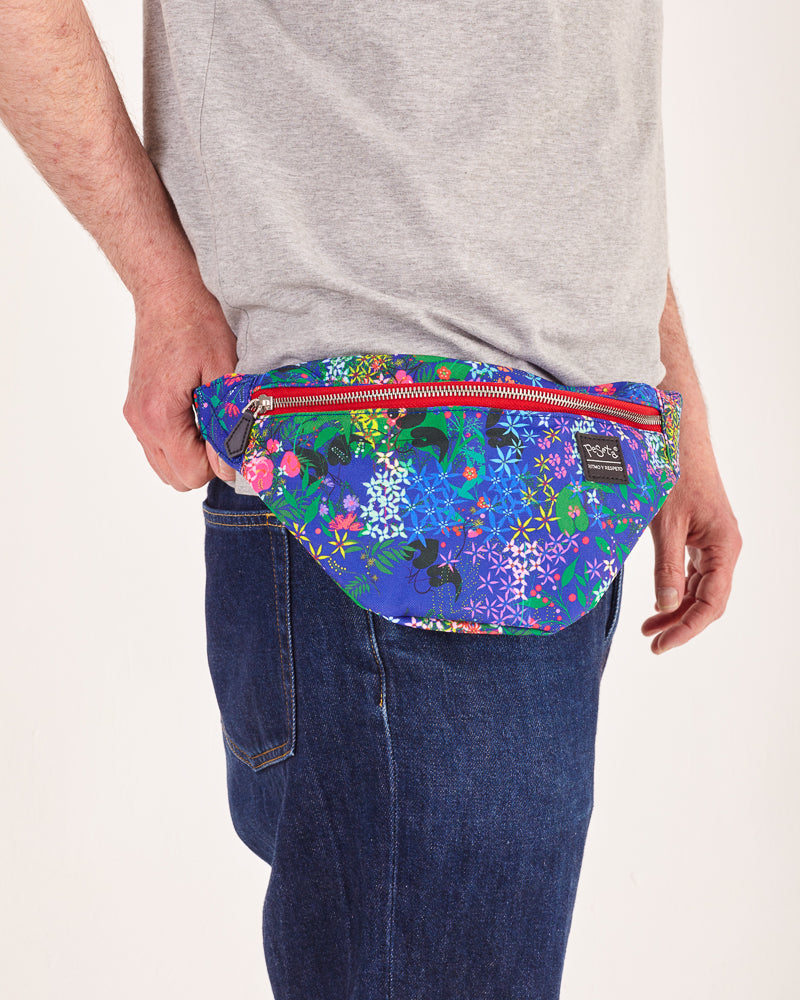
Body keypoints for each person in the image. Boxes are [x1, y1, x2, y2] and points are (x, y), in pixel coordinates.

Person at [0, 2, 741, 997]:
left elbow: (573, 83)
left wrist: (668, 395)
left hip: (580, 470)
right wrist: (162, 284)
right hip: (388, 485)